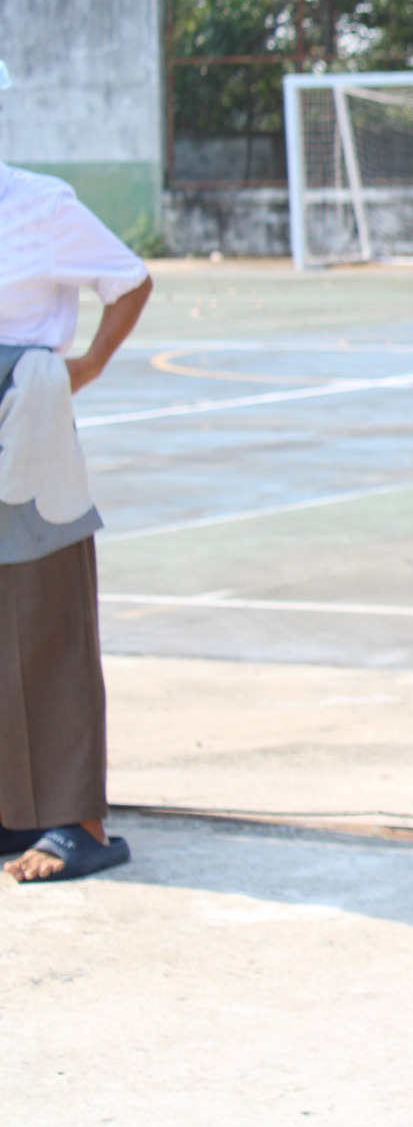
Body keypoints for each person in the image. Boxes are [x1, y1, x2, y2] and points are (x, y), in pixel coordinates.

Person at [0, 137, 154, 882]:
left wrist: (87, 365)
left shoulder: (39, 205)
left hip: (26, 419)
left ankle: (78, 822)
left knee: (43, 614)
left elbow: (129, 280)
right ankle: (13, 810)